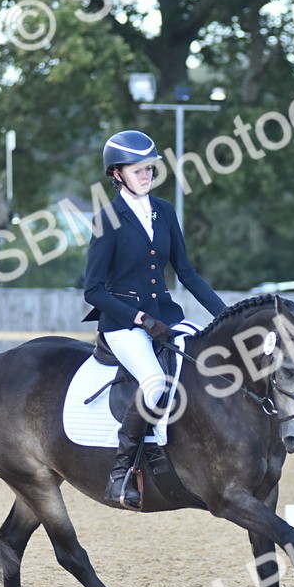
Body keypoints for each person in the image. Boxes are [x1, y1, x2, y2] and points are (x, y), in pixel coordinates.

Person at [83, 129, 227, 509]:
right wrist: (141, 318)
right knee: (156, 382)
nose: (146, 174)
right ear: (117, 174)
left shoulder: (164, 210)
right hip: (123, 323)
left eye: (149, 168)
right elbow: (93, 291)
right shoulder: (107, 220)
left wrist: (226, 316)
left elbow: (187, 272)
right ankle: (120, 473)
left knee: (207, 362)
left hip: (167, 316)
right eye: (137, 169)